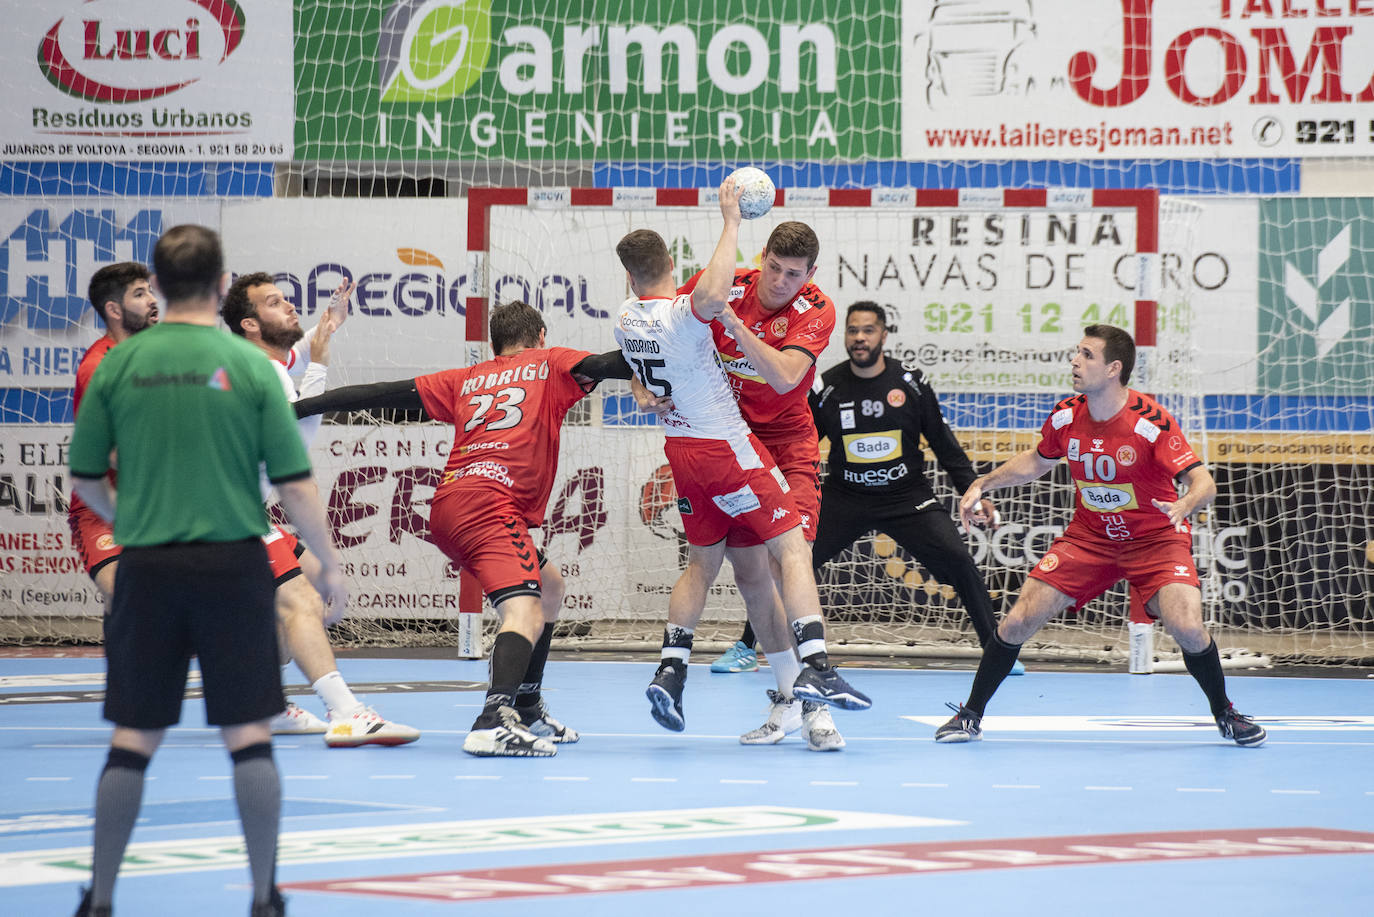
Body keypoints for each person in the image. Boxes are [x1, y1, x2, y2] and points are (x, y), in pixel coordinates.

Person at [69, 225, 348, 917]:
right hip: (232, 565)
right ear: (223, 287)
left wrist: (128, 516)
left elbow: (84, 478)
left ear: (158, 287)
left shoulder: (115, 364)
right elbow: (294, 483)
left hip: (148, 566)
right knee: (249, 738)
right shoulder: (254, 367)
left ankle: (99, 899)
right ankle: (263, 897)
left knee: (132, 740)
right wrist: (330, 566)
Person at [293, 301, 632, 757]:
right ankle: (494, 721)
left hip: (450, 503)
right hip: (490, 506)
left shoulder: (467, 378)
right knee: (525, 611)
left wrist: (303, 406)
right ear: (541, 336)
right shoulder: (550, 363)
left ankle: (527, 704)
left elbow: (378, 394)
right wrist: (679, 341)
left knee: (549, 587)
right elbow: (611, 364)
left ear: (495, 344)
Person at [616, 179, 869, 752]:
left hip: (786, 445)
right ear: (763, 258)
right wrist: (639, 385)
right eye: (776, 267)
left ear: (810, 275)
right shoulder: (733, 285)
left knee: (787, 561)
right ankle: (788, 696)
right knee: (750, 575)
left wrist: (731, 324)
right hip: (727, 443)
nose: (782, 282)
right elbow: (656, 334)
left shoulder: (816, 311)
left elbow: (783, 375)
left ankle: (816, 706)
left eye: (794, 273)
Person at [934, 324, 1266, 747]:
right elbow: (1036, 462)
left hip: (1155, 542)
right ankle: (970, 715)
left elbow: (1204, 482)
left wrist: (1185, 504)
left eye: (1086, 355)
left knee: (1187, 626)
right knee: (1017, 621)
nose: (1075, 361)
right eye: (1077, 352)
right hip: (1089, 539)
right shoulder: (1067, 414)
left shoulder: (1150, 423)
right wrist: (983, 483)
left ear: (1113, 368)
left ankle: (1226, 713)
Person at [221, 272, 419, 748]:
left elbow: (294, 354)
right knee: (304, 600)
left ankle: (260, 700)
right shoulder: (261, 372)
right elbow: (296, 436)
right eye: (274, 303)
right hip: (228, 514)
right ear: (249, 323)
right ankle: (347, 712)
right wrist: (323, 361)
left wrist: (324, 330)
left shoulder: (256, 360)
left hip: (238, 509)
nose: (289, 307)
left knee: (310, 592)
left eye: (286, 299)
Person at [807, 301, 1023, 672]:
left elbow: (943, 442)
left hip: (906, 497)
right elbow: (802, 444)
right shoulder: (828, 387)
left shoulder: (910, 383)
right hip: (846, 496)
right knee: (793, 561)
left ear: (884, 336)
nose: (859, 338)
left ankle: (996, 649)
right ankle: (747, 646)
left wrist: (974, 493)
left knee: (959, 561)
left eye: (868, 330)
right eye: (853, 330)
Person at [67, 263, 158, 604]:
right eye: (139, 294)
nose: (152, 300)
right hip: (105, 511)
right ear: (114, 310)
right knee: (131, 601)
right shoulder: (99, 367)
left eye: (149, 290)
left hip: (159, 508)